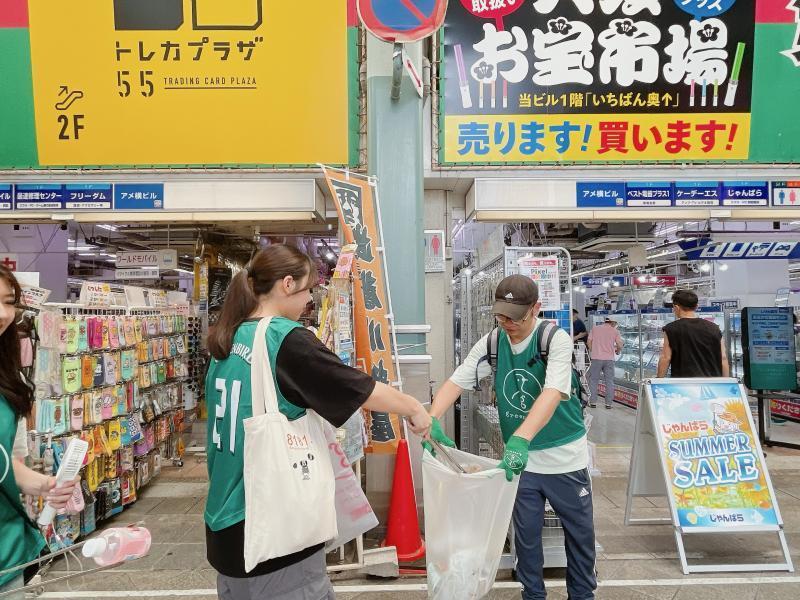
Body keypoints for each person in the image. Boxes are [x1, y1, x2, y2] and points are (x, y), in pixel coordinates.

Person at [204, 244, 431, 600]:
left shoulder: (227, 338)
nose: (310, 300)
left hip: (224, 529)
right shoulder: (284, 339)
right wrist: (413, 406)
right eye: (309, 289)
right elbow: (357, 387)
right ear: (287, 285)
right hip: (272, 533)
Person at [426, 275, 596, 600]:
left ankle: (583, 596)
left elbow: (553, 392)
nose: (506, 323)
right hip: (521, 465)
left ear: (536, 309)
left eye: (514, 317)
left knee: (580, 537)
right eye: (500, 315)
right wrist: (432, 418)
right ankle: (532, 596)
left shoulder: (554, 339)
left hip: (565, 460)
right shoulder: (492, 342)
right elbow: (458, 379)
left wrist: (520, 438)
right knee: (527, 539)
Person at [0, 266, 77, 599]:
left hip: (9, 555)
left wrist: (44, 484)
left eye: (8, 302)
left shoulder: (4, 371)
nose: (3, 314)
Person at [657, 289, 729, 378]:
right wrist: (726, 381)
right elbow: (723, 357)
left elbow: (665, 357)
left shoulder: (670, 329)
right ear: (696, 306)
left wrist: (658, 380)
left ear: (676, 307)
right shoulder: (714, 328)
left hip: (684, 384)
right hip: (712, 383)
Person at [587, 318, 623, 409]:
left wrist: (593, 350)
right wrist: (618, 351)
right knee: (609, 381)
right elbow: (619, 344)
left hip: (596, 358)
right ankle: (608, 404)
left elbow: (589, 342)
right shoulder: (615, 331)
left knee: (593, 380)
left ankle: (593, 402)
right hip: (609, 360)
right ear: (613, 322)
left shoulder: (595, 328)